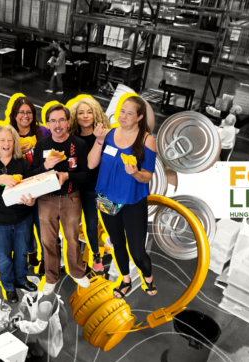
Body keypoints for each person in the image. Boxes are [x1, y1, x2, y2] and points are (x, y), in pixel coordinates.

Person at [88, 96, 158, 299]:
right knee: (117, 243)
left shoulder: (146, 140)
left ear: (139, 117)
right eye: (122, 111)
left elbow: (147, 176)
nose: (124, 116)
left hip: (132, 200)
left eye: (130, 113)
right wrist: (99, 141)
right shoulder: (108, 135)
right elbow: (92, 164)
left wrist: (135, 173)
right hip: (107, 197)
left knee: (137, 250)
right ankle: (125, 279)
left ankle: (148, 275)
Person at [0, 125, 38, 303]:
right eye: (2, 139)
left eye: (10, 140)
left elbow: (31, 189)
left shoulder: (22, 163)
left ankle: (21, 279)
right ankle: (8, 286)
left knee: (21, 253)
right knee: (3, 257)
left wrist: (30, 201)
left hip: (22, 219)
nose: (6, 143)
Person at [31, 104, 90, 294]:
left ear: (68, 122)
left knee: (72, 239)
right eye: (53, 121)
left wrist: (67, 176)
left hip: (71, 198)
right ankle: (51, 277)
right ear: (47, 124)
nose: (57, 125)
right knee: (48, 241)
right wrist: (45, 166)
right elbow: (34, 176)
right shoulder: (42, 145)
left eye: (61, 120)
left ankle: (77, 272)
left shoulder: (79, 144)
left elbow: (86, 175)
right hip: (46, 200)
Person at [69, 97, 110, 272]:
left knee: (105, 222)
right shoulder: (72, 139)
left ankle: (99, 253)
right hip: (83, 189)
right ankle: (93, 256)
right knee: (87, 223)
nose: (85, 116)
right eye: (81, 113)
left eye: (89, 112)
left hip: (103, 188)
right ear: (75, 117)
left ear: (96, 114)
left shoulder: (106, 135)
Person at [8, 96, 49, 270]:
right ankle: (31, 252)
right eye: (21, 112)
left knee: (43, 227)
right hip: (20, 190)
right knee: (24, 226)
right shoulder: (7, 133)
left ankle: (47, 260)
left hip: (41, 188)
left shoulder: (43, 132)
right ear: (14, 114)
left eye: (29, 112)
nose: (25, 116)